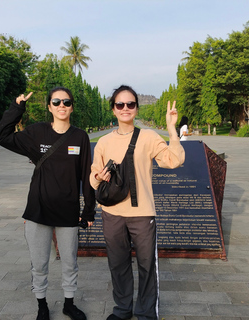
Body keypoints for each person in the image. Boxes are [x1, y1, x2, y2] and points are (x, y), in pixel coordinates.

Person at [0, 87, 95, 320]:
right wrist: (16, 107)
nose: (62, 105)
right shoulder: (37, 133)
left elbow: (87, 175)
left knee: (70, 262)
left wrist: (88, 211)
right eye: (57, 101)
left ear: (72, 106)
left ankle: (68, 304)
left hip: (68, 212)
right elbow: (3, 136)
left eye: (67, 102)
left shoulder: (80, 136)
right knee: (39, 263)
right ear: (49, 106)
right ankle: (41, 304)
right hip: (38, 211)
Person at [89, 85, 185, 320]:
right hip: (111, 212)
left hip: (142, 213)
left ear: (136, 108)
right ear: (113, 109)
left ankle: (146, 312)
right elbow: (93, 177)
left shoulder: (148, 137)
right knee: (118, 264)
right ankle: (122, 309)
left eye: (130, 104)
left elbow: (173, 161)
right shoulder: (103, 142)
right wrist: (98, 177)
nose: (125, 108)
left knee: (146, 266)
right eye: (120, 105)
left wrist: (172, 129)